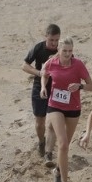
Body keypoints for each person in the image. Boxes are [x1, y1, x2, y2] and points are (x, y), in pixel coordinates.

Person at [40, 37, 92, 182]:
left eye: (70, 51)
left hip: (73, 108)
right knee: (62, 144)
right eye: (65, 51)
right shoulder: (51, 63)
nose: (68, 54)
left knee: (66, 146)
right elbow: (45, 74)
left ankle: (57, 170)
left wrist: (80, 86)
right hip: (55, 105)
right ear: (59, 50)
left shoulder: (78, 65)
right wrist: (43, 87)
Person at [21, 24, 60, 167]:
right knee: (40, 122)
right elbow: (24, 65)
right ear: (46, 37)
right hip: (39, 87)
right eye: (51, 40)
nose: (54, 43)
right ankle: (41, 142)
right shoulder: (38, 48)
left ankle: (49, 153)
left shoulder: (61, 49)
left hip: (57, 90)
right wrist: (39, 73)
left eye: (57, 40)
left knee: (53, 122)